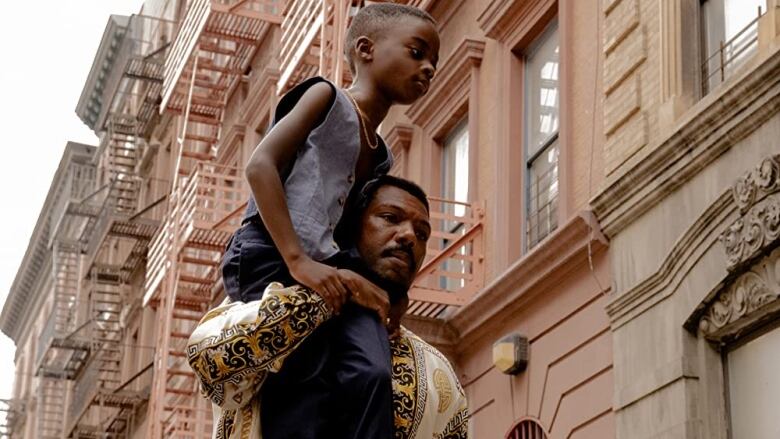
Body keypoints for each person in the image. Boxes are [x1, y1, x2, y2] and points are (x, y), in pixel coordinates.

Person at [218, 3, 440, 438]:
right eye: (417, 52)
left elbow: (347, 235)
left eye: (433, 60)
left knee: (373, 373)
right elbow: (260, 167)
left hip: (327, 266)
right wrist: (298, 260)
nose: (429, 67)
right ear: (365, 49)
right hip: (269, 251)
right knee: (308, 378)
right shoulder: (324, 96)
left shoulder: (381, 155)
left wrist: (388, 293)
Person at [188, 176, 469, 438]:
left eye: (422, 234)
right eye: (390, 218)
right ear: (351, 227)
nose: (408, 236)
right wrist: (338, 289)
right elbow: (208, 360)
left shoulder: (436, 372)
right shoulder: (267, 302)